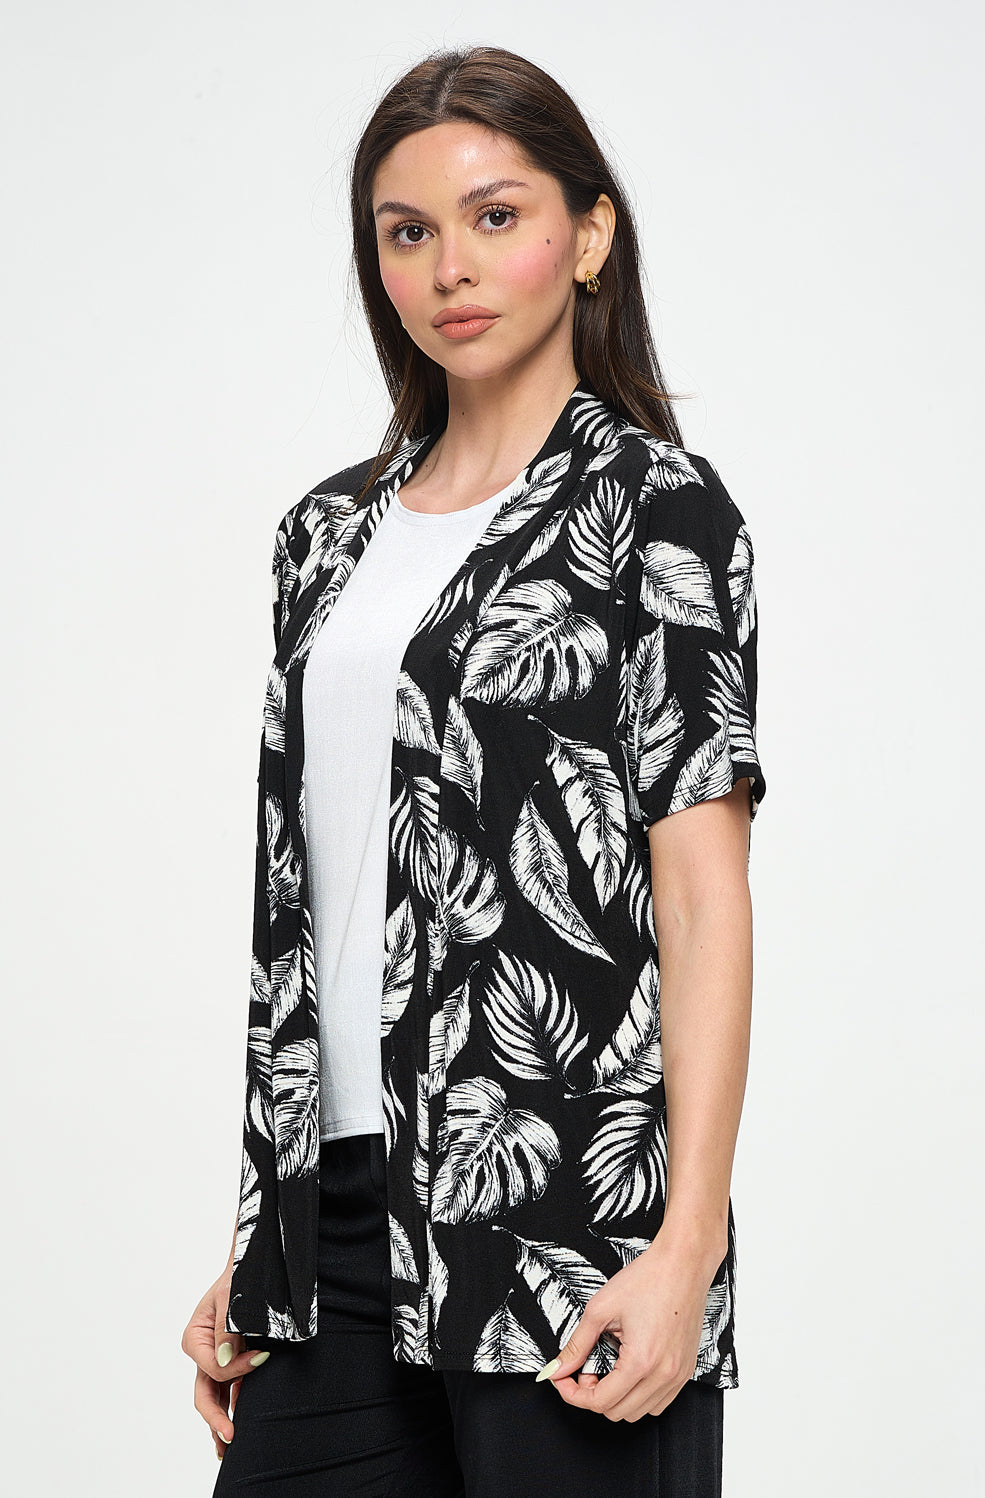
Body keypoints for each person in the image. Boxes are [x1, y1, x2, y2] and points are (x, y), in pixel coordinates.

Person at [181, 42, 767, 1498]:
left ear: (590, 233)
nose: (451, 266)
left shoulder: (657, 512)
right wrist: (264, 1238)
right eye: (408, 231)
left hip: (566, 1225)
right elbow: (330, 905)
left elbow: (702, 895)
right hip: (329, 1234)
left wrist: (687, 1244)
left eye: (496, 216)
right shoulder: (325, 538)